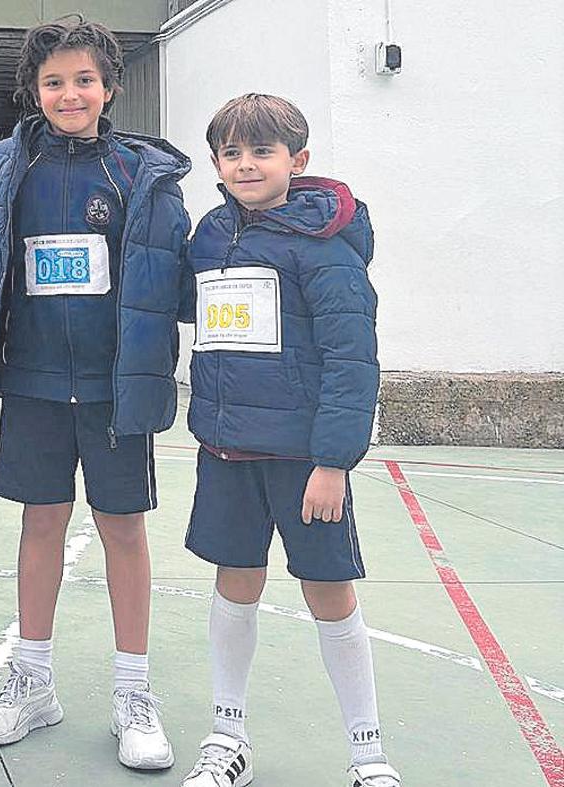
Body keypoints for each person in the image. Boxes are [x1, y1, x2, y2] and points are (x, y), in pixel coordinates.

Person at [0, 16, 192, 770]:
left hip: (116, 388)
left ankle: (133, 694)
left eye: (85, 80)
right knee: (41, 522)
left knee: (122, 529)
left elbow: (181, 271)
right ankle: (33, 681)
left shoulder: (141, 175)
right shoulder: (2, 168)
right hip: (35, 385)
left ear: (110, 87)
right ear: (33, 91)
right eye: (54, 82)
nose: (71, 93)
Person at [178, 93, 400, 787]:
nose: (246, 164)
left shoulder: (326, 251)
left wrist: (333, 460)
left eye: (262, 151)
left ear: (297, 161)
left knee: (329, 591)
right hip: (225, 453)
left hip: (306, 462)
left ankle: (368, 753)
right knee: (234, 585)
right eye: (233, 152)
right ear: (216, 162)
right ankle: (227, 736)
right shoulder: (210, 234)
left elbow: (351, 361)